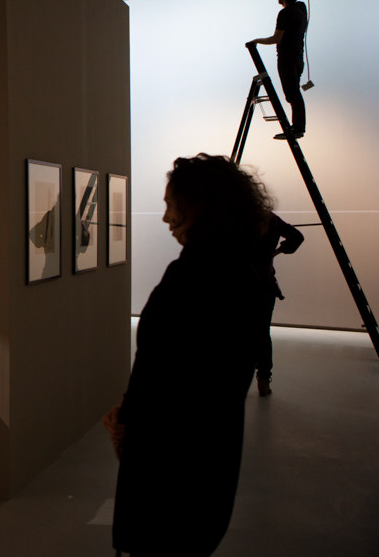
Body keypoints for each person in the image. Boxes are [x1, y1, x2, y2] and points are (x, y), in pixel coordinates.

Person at [103, 154, 272, 556]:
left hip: (171, 462)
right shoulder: (242, 271)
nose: (165, 218)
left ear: (197, 207)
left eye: (170, 205)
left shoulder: (193, 276)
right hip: (211, 453)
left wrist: (128, 419)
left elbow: (163, 369)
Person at [249, 0, 308, 139]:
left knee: (292, 94)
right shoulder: (301, 9)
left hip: (287, 57)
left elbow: (276, 38)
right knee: (294, 93)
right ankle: (298, 128)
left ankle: (297, 129)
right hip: (298, 58)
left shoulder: (285, 13)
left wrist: (256, 40)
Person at [254, 213, 304, 396]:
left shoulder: (231, 217)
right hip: (264, 283)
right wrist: (272, 254)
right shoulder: (269, 218)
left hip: (242, 284)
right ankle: (264, 380)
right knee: (262, 332)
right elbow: (297, 236)